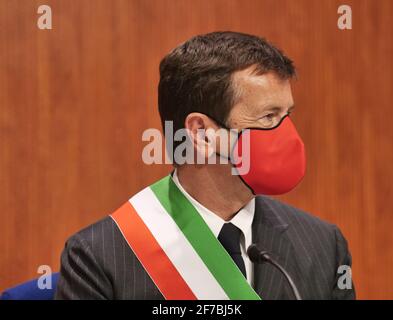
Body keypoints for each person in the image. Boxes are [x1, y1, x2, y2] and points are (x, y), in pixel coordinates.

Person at [55, 31, 355, 300]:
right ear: (200, 133)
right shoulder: (99, 256)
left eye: (287, 114)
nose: (289, 135)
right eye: (268, 117)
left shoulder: (324, 245)